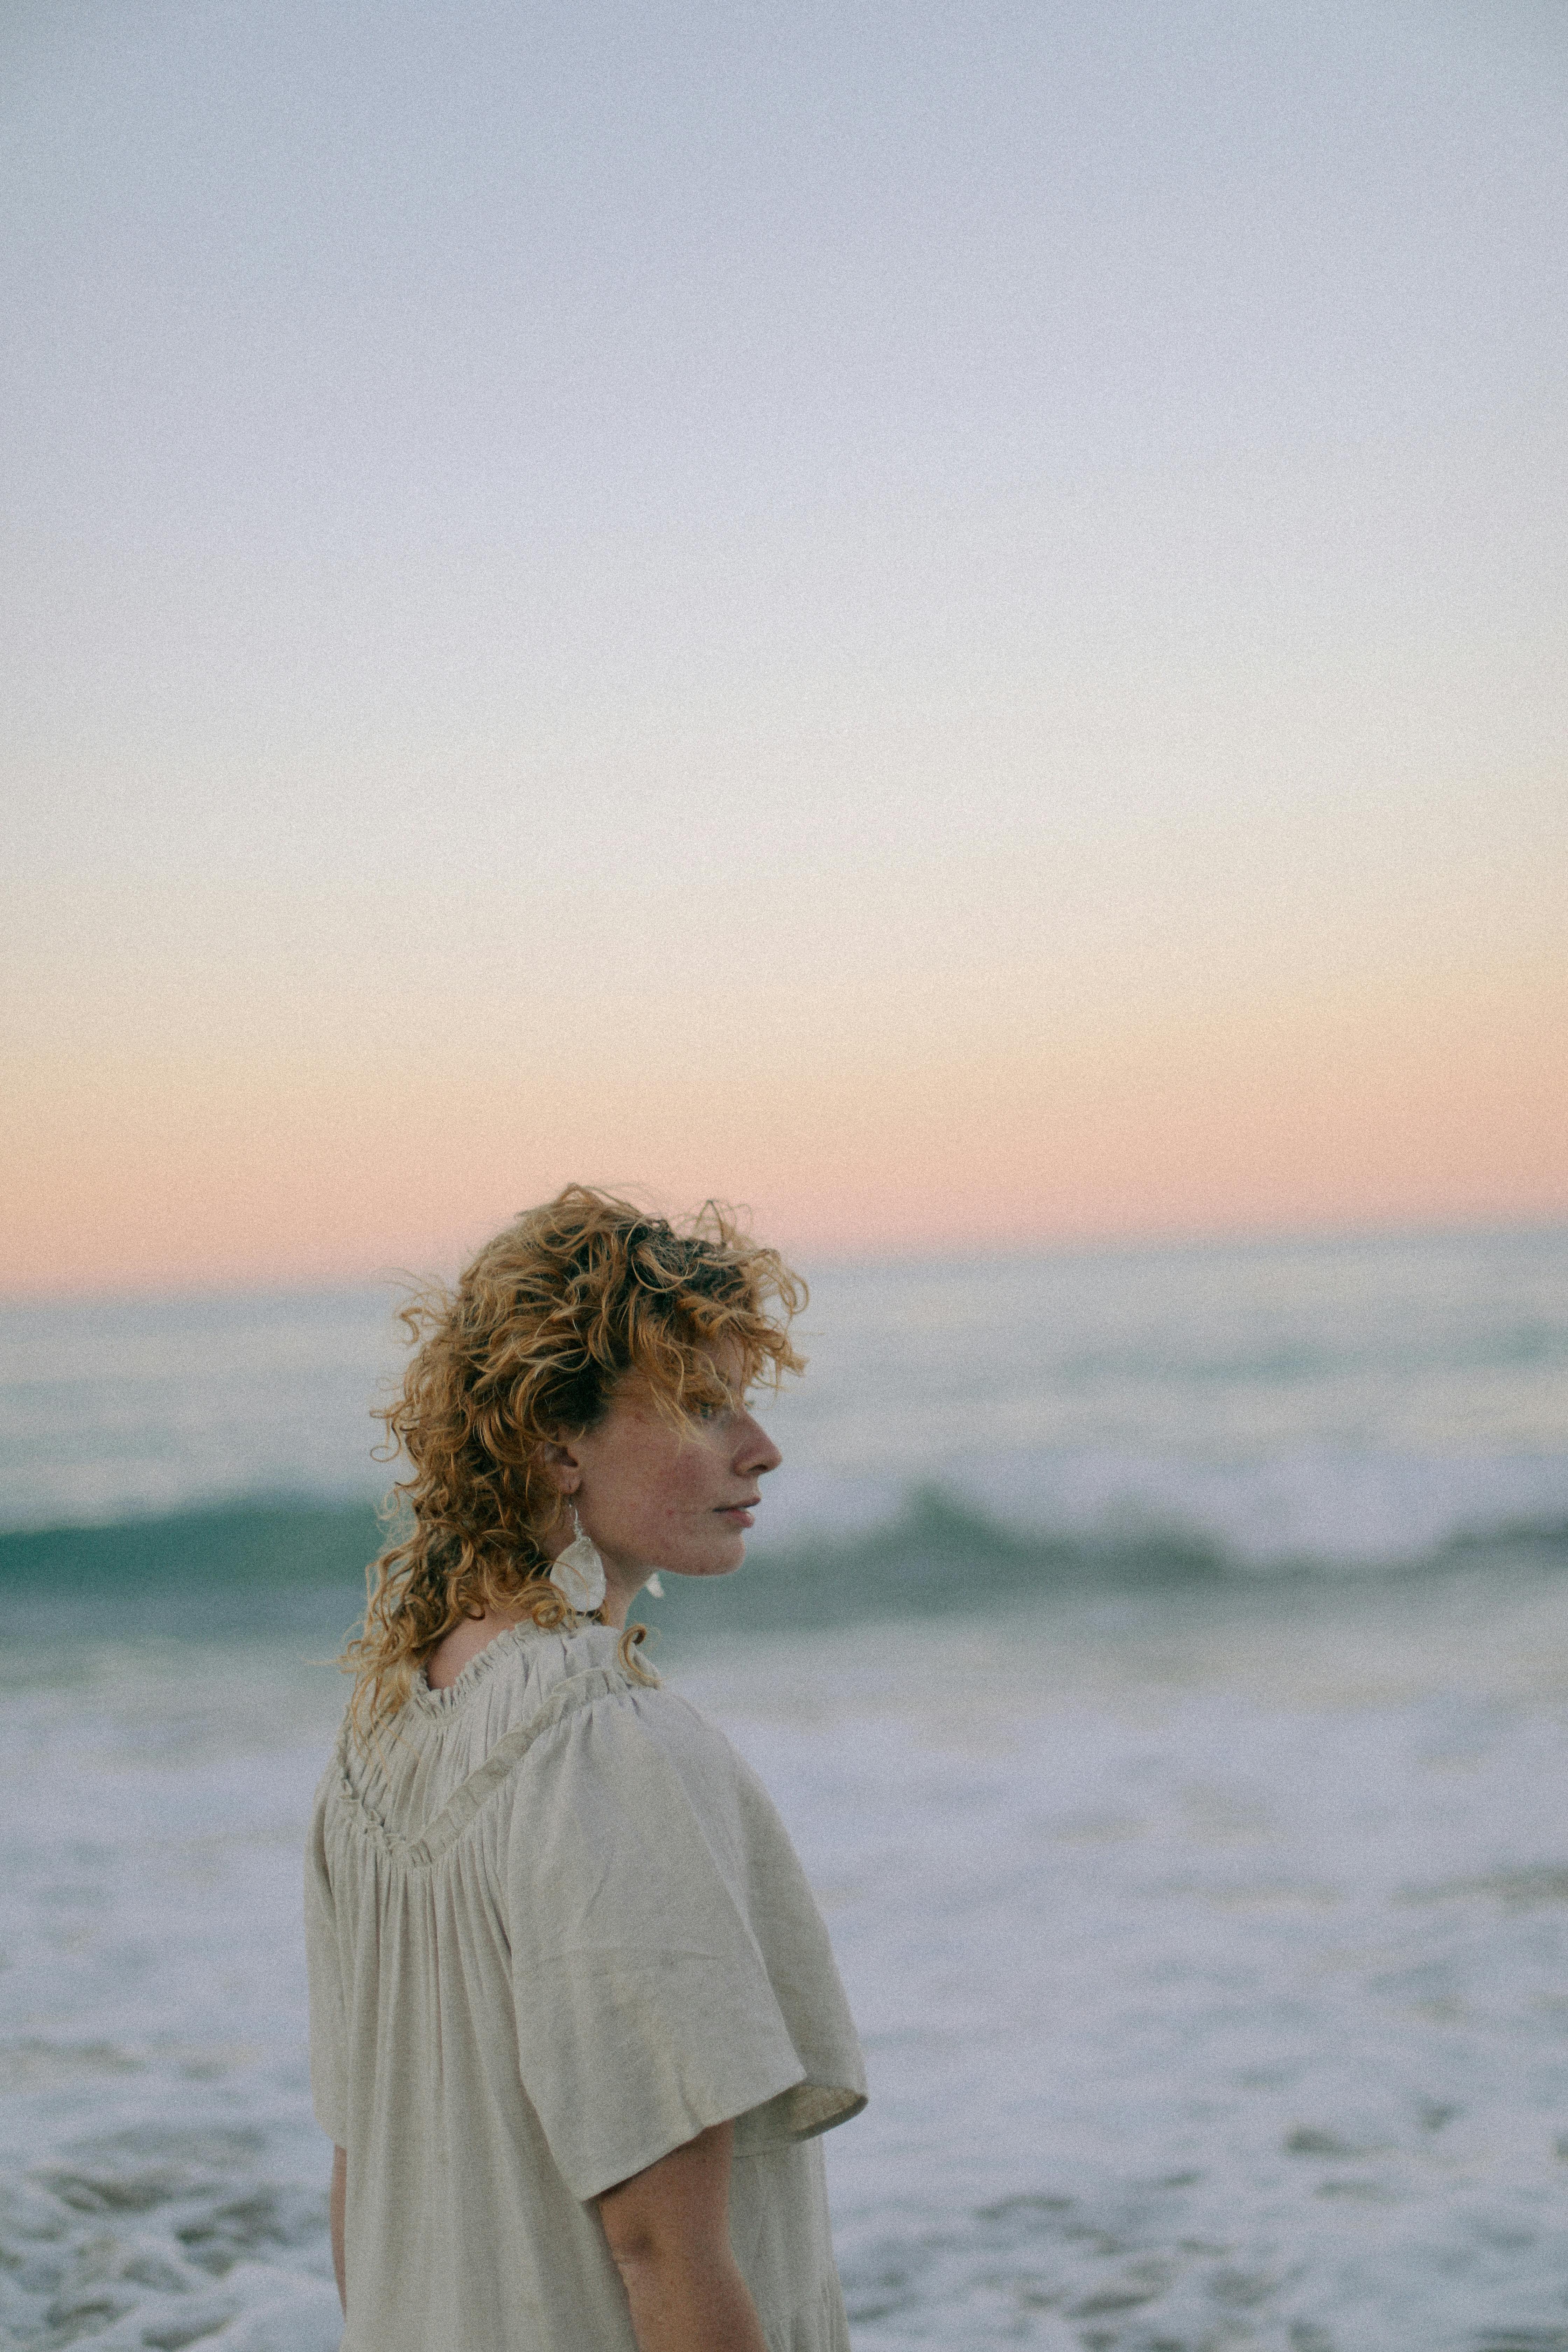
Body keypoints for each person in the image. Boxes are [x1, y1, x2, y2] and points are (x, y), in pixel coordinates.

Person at [304, 1186, 866, 2352]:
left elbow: (364, 2196)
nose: (760, 1450)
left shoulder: (382, 1738)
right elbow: (659, 2243)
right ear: (555, 1442)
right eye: (705, 1407)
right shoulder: (603, 1747)